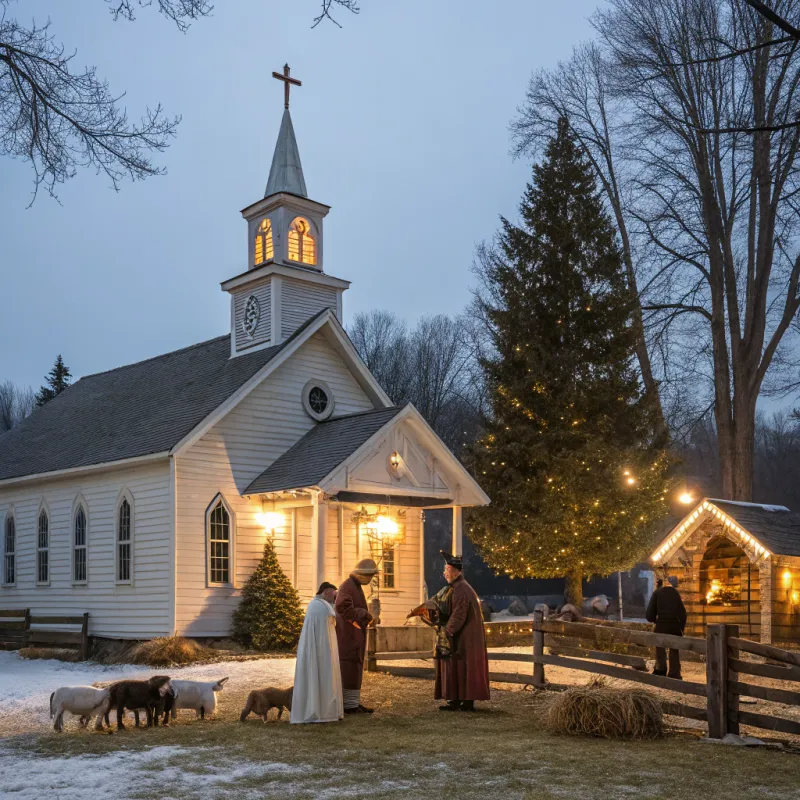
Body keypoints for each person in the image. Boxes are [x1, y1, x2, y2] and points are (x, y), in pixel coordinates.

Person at [434, 551, 490, 712]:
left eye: (448, 570)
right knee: (459, 667)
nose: (445, 573)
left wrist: (447, 631)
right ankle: (457, 700)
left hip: (466, 637)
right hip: (465, 636)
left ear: (457, 572)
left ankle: (464, 702)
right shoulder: (458, 587)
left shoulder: (461, 589)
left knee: (464, 666)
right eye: (445, 569)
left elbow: (459, 614)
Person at [290, 582, 343, 724]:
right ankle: (321, 712)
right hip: (321, 650)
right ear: (326, 591)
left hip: (323, 649)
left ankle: (326, 711)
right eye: (333, 594)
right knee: (322, 675)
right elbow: (327, 624)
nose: (335, 597)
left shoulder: (319, 605)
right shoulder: (318, 606)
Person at [335, 559, 378, 715]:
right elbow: (342, 607)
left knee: (354, 670)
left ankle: (352, 703)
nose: (370, 580)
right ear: (362, 575)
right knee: (349, 669)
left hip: (353, 638)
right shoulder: (348, 587)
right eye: (369, 576)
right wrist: (364, 614)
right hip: (349, 638)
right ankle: (349, 705)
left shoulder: (354, 586)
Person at [645, 575, 687, 680]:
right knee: (674, 650)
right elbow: (683, 614)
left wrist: (656, 621)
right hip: (674, 627)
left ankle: (661, 669)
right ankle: (674, 673)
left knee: (660, 649)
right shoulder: (675, 593)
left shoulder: (657, 593)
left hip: (661, 626)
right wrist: (681, 629)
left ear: (658, 584)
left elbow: (649, 615)